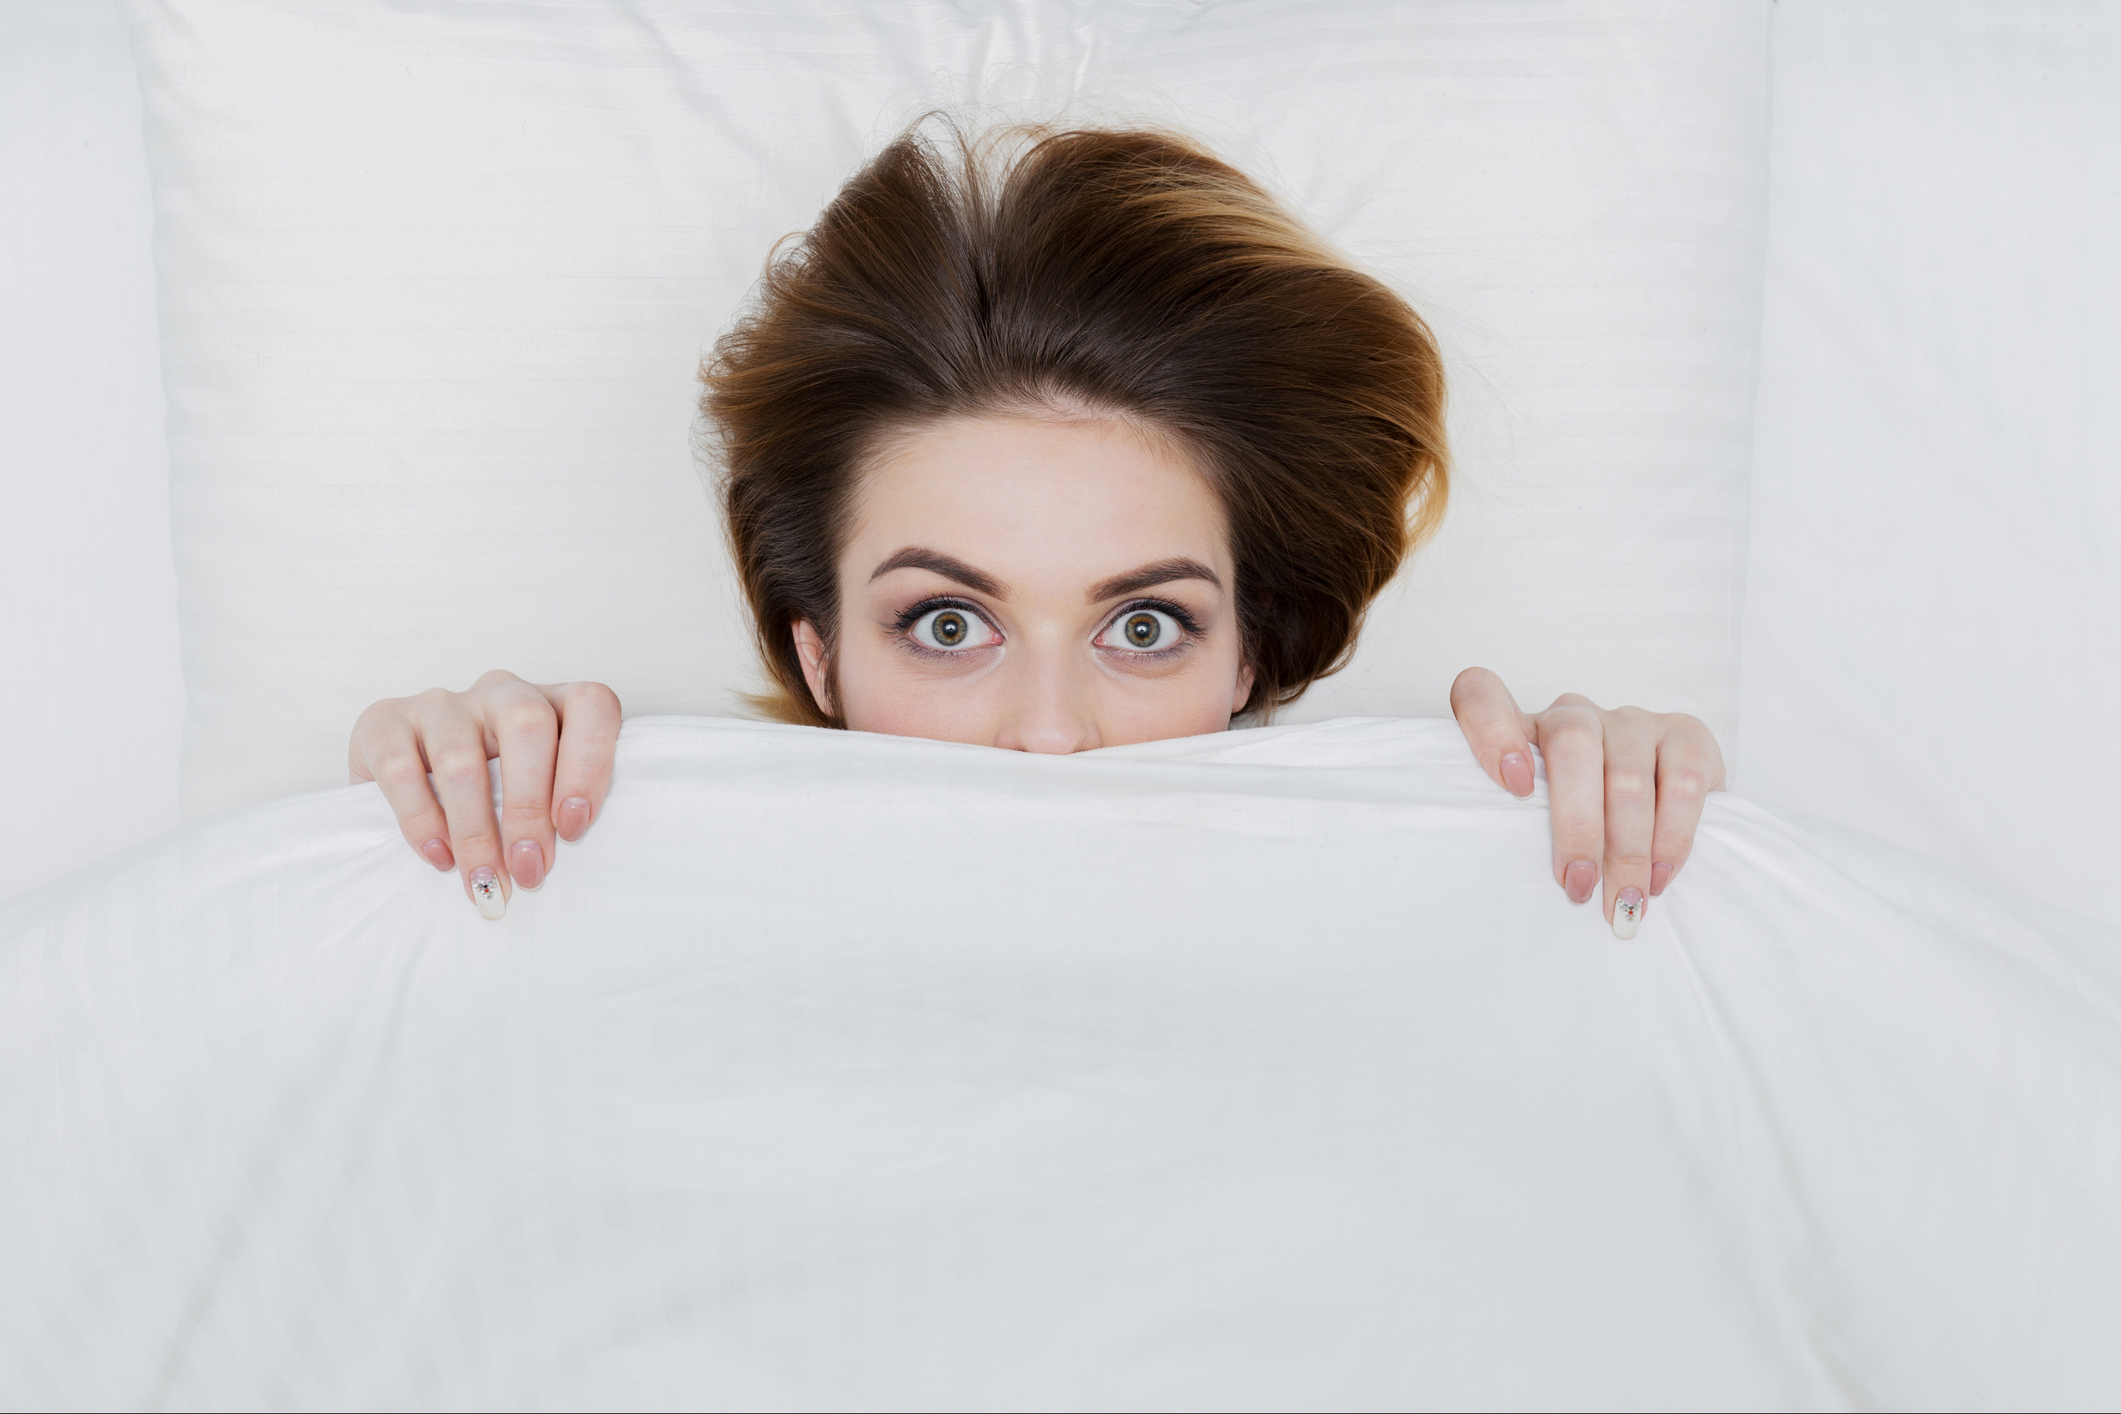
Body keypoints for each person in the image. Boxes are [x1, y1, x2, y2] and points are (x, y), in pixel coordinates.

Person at [348, 121, 1724, 936]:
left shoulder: (1407, 914)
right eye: (947, 624)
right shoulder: (636, 901)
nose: (1049, 735)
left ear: (1248, 657)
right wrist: (425, 819)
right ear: (816, 652)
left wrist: (1593, 841)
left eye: (1144, 626)